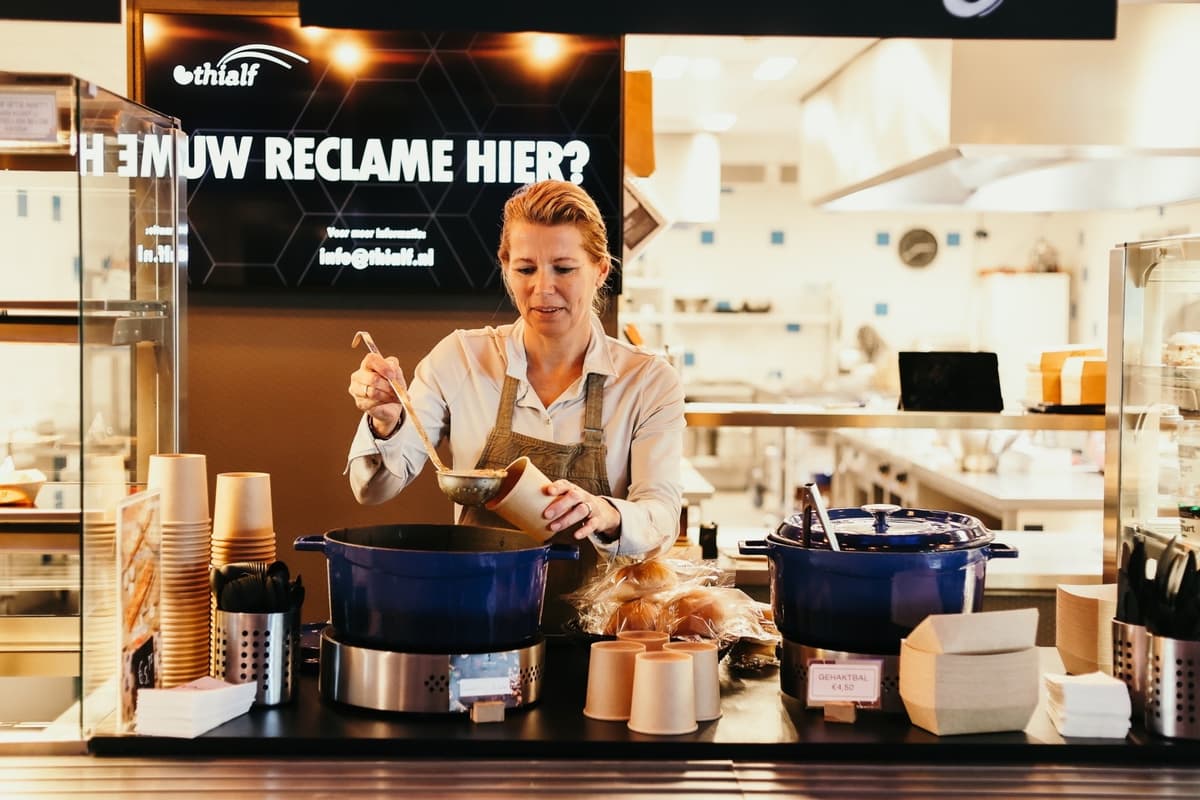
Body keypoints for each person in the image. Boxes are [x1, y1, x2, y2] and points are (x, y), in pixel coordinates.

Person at [345, 180, 685, 623]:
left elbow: (661, 518)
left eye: (564, 268)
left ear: (600, 270)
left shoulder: (648, 381)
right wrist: (387, 422)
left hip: (601, 636)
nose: (543, 289)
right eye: (525, 269)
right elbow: (372, 490)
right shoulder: (461, 359)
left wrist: (604, 512)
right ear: (505, 267)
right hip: (475, 622)